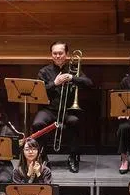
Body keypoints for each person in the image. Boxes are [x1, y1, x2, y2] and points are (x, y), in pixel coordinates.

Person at [35, 41, 92, 173]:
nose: (58, 56)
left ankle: (73, 157)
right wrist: (54, 83)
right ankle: (42, 156)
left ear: (66, 54)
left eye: (60, 53)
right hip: (49, 109)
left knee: (75, 122)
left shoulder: (73, 70)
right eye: (55, 53)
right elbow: (39, 91)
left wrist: (72, 78)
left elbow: (89, 83)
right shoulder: (44, 72)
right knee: (37, 124)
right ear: (51, 55)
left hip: (67, 110)